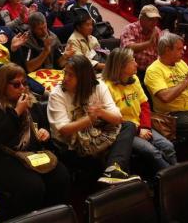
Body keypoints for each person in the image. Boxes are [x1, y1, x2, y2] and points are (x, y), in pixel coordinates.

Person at [0, 63, 70, 220]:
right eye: (16, 84)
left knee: (61, 175)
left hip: (32, 153)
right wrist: (16, 112)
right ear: (2, 85)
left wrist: (44, 132)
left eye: (24, 83)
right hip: (5, 157)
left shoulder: (30, 102)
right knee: (33, 186)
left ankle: (52, 216)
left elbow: (42, 125)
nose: (22, 88)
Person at [47, 55, 139, 184]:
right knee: (119, 152)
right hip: (72, 144)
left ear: (84, 78)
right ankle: (112, 172)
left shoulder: (98, 86)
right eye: (65, 73)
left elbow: (118, 119)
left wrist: (100, 112)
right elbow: (63, 131)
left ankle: (113, 170)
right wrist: (89, 119)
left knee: (129, 125)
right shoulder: (57, 94)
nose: (66, 79)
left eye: (71, 75)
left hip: (96, 133)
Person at [103, 48, 177, 176]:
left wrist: (144, 127)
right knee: (153, 152)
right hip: (123, 132)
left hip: (141, 125)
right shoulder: (106, 87)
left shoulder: (134, 79)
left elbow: (144, 105)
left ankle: (178, 173)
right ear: (120, 66)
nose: (136, 64)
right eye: (132, 61)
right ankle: (172, 180)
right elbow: (113, 120)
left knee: (168, 146)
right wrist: (138, 131)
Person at [145, 33, 188, 139]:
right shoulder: (154, 70)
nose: (183, 51)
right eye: (179, 49)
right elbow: (166, 97)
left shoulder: (180, 63)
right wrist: (185, 81)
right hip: (173, 116)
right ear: (167, 50)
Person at [120, 5, 162, 82]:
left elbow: (161, 52)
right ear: (141, 18)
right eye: (151, 19)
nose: (154, 23)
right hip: (133, 71)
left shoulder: (157, 31)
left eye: (156, 20)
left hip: (151, 70)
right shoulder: (130, 28)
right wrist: (149, 43)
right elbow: (128, 49)